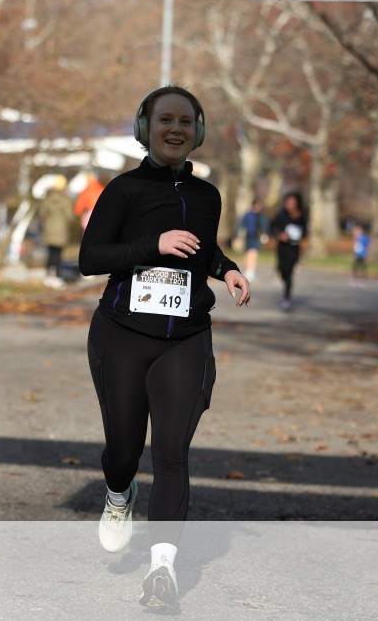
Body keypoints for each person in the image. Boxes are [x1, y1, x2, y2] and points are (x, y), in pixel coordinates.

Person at [79, 85, 250, 610]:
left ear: (197, 132)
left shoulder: (208, 196)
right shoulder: (124, 190)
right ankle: (118, 494)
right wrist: (151, 245)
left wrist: (226, 269)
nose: (175, 129)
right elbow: (90, 257)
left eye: (185, 121)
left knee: (172, 453)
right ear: (145, 128)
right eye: (165, 120)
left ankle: (161, 570)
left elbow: (202, 250)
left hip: (186, 338)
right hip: (123, 336)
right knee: (124, 451)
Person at [269, 191, 307, 311]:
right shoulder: (282, 215)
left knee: (289, 272)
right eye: (287, 203)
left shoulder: (302, 216)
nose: (289, 205)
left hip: (294, 248)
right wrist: (280, 235)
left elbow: (305, 232)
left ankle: (286, 298)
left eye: (292, 203)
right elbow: (272, 227)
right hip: (282, 248)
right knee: (282, 269)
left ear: (297, 204)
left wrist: (301, 236)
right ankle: (282, 276)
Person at [40, 175, 72, 289]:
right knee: (58, 255)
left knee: (50, 253)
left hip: (49, 229)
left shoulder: (48, 198)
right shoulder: (65, 200)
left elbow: (42, 213)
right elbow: (69, 216)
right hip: (61, 229)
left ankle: (48, 277)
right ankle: (58, 277)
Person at [235, 199, 270, 283]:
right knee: (249, 254)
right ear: (253, 205)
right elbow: (240, 225)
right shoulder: (248, 215)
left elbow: (265, 226)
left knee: (253, 254)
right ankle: (249, 272)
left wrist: (265, 234)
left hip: (257, 237)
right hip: (249, 237)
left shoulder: (261, 215)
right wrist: (237, 236)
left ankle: (250, 272)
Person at [351, 222, 371, 286]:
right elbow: (355, 246)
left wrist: (367, 252)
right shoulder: (356, 238)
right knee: (355, 267)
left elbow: (368, 244)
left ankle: (363, 279)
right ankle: (355, 279)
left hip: (362, 254)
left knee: (362, 267)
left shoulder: (364, 237)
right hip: (357, 254)